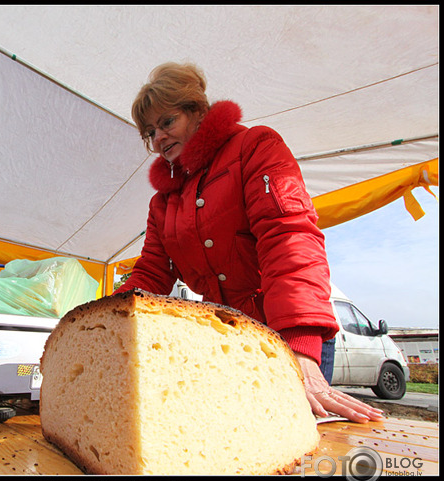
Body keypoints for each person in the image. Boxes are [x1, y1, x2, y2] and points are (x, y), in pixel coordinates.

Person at [114, 62, 383, 424]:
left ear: (198, 112)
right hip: (229, 338)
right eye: (150, 132)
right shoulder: (163, 203)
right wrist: (102, 321)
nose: (158, 138)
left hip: (288, 330)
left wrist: (300, 344)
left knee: (295, 438)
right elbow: (150, 274)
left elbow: (288, 237)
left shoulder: (255, 148)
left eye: (167, 122)